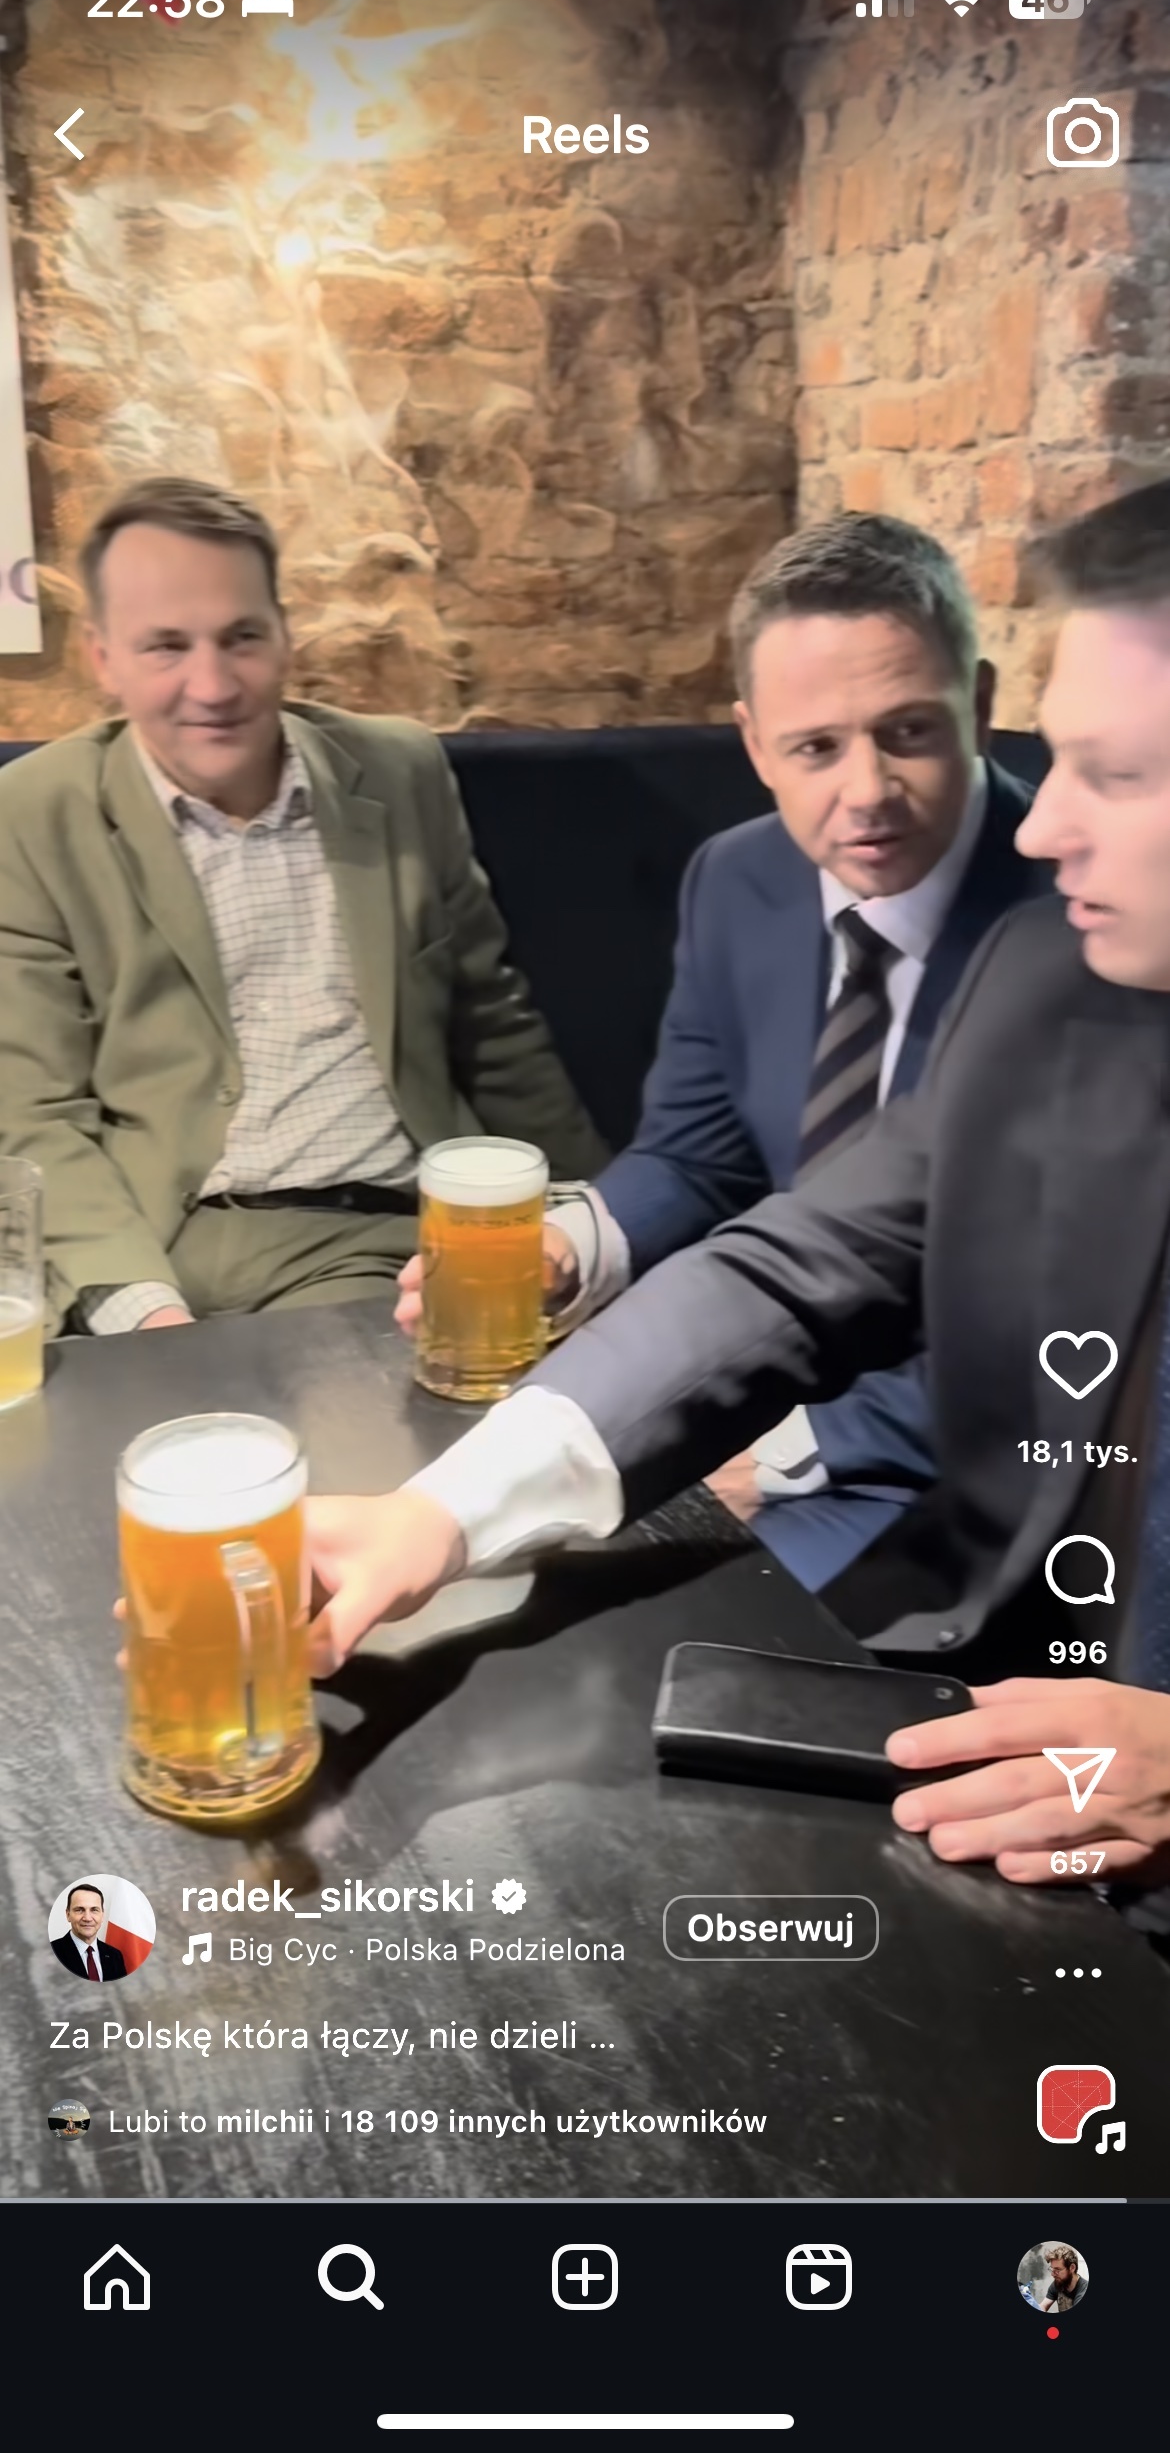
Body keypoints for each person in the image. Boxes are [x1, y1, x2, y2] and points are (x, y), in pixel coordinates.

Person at [301, 475, 1170, 1894]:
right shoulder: (1056, 978)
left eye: (1116, 776)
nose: (1036, 826)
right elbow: (800, 1261)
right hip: (999, 1689)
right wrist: (440, 1515)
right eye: (1054, 760)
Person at [397, 516, 1048, 1594]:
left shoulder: (1091, 926)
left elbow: (1062, 1326)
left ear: (978, 705)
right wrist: (570, 1248)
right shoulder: (739, 880)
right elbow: (700, 1157)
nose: (866, 790)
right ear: (754, 745)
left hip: (1000, 1468)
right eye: (815, 748)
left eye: (908, 732)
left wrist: (792, 1448)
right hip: (759, 1379)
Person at [0, 477, 604, 1337]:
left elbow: (493, 1027)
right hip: (167, 1239)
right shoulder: (32, 814)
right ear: (103, 659)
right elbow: (33, 1113)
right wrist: (145, 1317)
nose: (212, 685)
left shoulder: (399, 772)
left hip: (395, 1230)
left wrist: (601, 1221)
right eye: (166, 646)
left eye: (241, 637)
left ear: (284, 633)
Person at [50, 1884, 128, 1982]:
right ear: (68, 1915)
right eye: (79, 1910)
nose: (87, 1918)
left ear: (102, 1915)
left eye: (94, 1910)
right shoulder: (52, 1953)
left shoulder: (115, 1956)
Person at [1040, 2248, 1087, 2314]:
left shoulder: (1084, 2290)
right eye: (1052, 2269)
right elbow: (1043, 2306)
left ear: (1072, 2268)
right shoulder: (1059, 2283)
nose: (1052, 2274)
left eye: (1057, 2270)